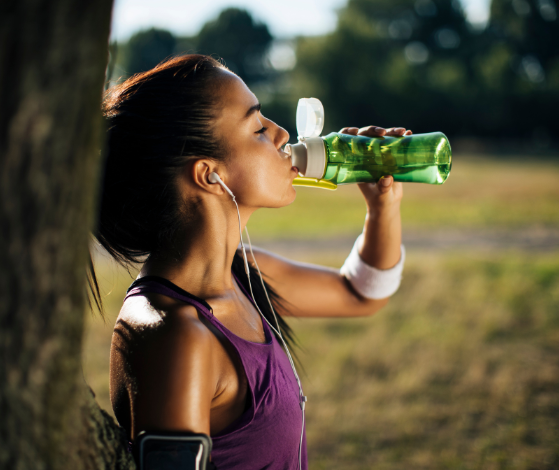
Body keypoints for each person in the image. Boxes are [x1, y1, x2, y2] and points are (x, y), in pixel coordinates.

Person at [93, 54, 409, 469]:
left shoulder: (244, 275)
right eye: (258, 127)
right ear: (208, 174)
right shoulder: (175, 337)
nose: (281, 134)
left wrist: (382, 204)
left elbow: (362, 293)